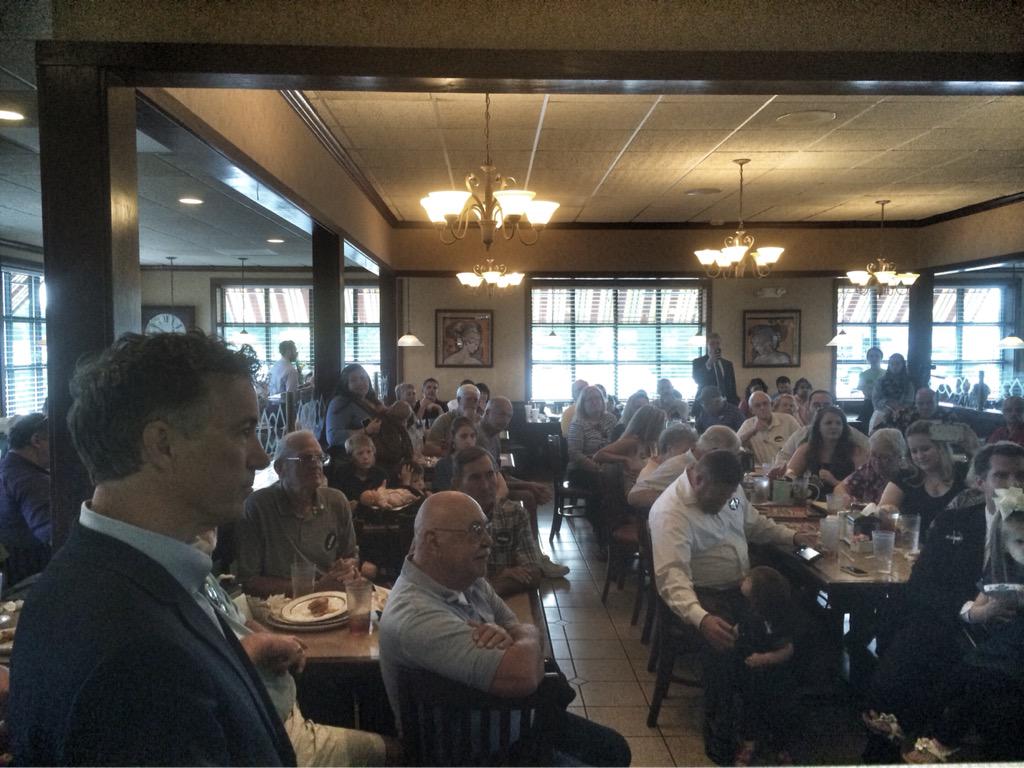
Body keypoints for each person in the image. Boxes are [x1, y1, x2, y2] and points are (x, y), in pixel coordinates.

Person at [9, 331, 294, 765]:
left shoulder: (102, 576)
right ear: (163, 445)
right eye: (244, 431)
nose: (261, 457)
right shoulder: (135, 655)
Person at [378, 491, 630, 766]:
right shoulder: (415, 615)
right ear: (433, 541)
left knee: (615, 748)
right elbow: (524, 675)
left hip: (511, 726)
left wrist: (520, 636)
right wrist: (522, 639)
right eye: (476, 530)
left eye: (486, 528)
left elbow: (520, 630)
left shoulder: (466, 578)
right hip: (473, 756)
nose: (488, 540)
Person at [649, 450, 814, 765]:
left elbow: (754, 524)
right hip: (701, 594)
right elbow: (672, 579)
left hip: (741, 587)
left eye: (729, 497)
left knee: (796, 627)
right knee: (725, 641)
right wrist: (701, 618)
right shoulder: (671, 512)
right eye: (720, 497)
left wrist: (794, 537)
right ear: (698, 479)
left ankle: (777, 723)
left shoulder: (732, 493)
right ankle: (721, 734)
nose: (726, 502)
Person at [861, 442, 1024, 757]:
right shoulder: (956, 521)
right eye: (1002, 476)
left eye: (1022, 476)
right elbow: (922, 584)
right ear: (980, 482)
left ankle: (940, 741)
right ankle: (886, 749)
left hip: (1010, 634)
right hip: (952, 619)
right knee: (898, 674)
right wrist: (971, 611)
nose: (1015, 485)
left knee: (997, 700)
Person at [195, 530, 397, 767]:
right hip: (273, 735)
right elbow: (199, 689)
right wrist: (256, 647)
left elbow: (241, 621)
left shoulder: (200, 573)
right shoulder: (171, 590)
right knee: (399, 751)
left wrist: (272, 640)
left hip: (286, 706)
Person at [901, 497, 1024, 763]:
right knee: (961, 677)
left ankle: (942, 740)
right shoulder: (1002, 571)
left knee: (983, 676)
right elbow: (978, 608)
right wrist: (988, 610)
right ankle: (923, 731)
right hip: (998, 645)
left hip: (1011, 651)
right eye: (1020, 543)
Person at [239, 429, 368, 597]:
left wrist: (347, 568)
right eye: (305, 458)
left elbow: (351, 556)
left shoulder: (336, 501)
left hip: (332, 601)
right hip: (280, 605)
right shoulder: (258, 507)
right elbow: (249, 582)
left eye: (320, 458)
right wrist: (316, 588)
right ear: (279, 468)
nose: (316, 464)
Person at [450, 447, 543, 597]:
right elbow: (446, 582)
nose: (486, 485)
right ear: (457, 484)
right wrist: (502, 576)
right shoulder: (446, 521)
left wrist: (491, 587)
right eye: (475, 478)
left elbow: (533, 573)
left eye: (490, 475)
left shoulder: (515, 514)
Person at [734, 566, 798, 767]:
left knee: (779, 710)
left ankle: (781, 747)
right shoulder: (749, 611)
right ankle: (749, 742)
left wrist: (765, 658)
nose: (743, 580)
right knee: (750, 706)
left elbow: (787, 650)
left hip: (775, 675)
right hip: (751, 673)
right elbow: (740, 629)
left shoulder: (777, 620)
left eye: (748, 579)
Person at [878, 419, 968, 534]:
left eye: (925, 449)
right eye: (914, 451)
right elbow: (882, 511)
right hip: (910, 543)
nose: (920, 456)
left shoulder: (962, 473)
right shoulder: (906, 477)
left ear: (940, 447)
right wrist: (887, 513)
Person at [628, 424, 734, 508]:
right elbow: (634, 496)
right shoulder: (678, 465)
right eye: (686, 450)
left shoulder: (700, 466)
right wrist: (679, 500)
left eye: (693, 448)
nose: (689, 452)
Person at [0, 413, 52, 586]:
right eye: (54, 440)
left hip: (10, 571)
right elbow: (53, 536)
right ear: (36, 441)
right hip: (31, 575)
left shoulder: (6, 468)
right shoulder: (30, 480)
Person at [566, 384, 619, 550]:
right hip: (581, 470)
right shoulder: (578, 424)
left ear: (603, 401)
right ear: (582, 403)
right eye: (590, 400)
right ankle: (602, 535)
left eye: (598, 398)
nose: (595, 402)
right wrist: (597, 468)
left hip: (608, 466)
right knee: (601, 486)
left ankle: (620, 528)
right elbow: (574, 454)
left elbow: (618, 444)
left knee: (621, 483)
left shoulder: (611, 420)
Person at [773, 389, 870, 470]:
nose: (821, 409)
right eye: (816, 405)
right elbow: (783, 457)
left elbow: (870, 451)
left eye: (826, 405)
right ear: (808, 407)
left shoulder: (850, 433)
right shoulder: (801, 435)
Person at [785, 405, 868, 495]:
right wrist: (803, 483)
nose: (834, 426)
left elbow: (863, 487)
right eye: (828, 423)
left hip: (844, 501)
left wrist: (834, 481)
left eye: (838, 423)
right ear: (818, 427)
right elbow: (789, 474)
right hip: (812, 501)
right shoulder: (807, 448)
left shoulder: (856, 451)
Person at [594, 404, 666, 495]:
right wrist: (625, 459)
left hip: (647, 486)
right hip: (633, 490)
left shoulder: (653, 444)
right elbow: (598, 455)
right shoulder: (632, 441)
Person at [834, 427, 907, 504]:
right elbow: (839, 488)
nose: (877, 462)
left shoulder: (907, 476)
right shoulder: (869, 468)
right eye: (873, 455)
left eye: (884, 457)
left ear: (899, 456)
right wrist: (845, 497)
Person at [326, 363, 386, 448]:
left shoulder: (372, 400)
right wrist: (366, 431)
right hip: (355, 454)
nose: (360, 383)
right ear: (345, 384)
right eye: (353, 380)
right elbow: (333, 437)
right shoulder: (340, 402)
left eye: (363, 378)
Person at [736, 391, 801, 467]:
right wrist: (753, 431)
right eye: (757, 406)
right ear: (751, 410)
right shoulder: (748, 424)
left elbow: (803, 441)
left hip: (788, 467)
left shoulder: (788, 420)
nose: (762, 408)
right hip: (762, 471)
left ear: (771, 405)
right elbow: (735, 445)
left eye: (765, 403)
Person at [423, 382, 480, 457]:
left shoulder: (480, 422)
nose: (472, 404)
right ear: (459, 400)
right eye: (468, 399)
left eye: (475, 400)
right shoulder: (444, 420)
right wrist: (450, 451)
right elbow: (428, 448)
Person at [431, 416, 478, 492]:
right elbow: (443, 494)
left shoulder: (480, 462)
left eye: (472, 436)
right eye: (463, 436)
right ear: (453, 439)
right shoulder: (443, 465)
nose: (469, 441)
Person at [693, 332, 739, 405]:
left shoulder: (728, 364)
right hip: (705, 403)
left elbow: (732, 386)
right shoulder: (698, 362)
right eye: (712, 344)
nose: (715, 346)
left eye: (717, 343)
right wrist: (709, 363)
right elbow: (697, 380)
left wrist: (735, 402)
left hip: (726, 402)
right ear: (707, 345)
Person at [857, 346, 885, 424]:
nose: (874, 358)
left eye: (877, 356)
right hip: (868, 405)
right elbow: (866, 392)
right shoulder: (863, 374)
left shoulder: (887, 374)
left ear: (881, 358)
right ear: (868, 358)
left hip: (884, 405)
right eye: (871, 356)